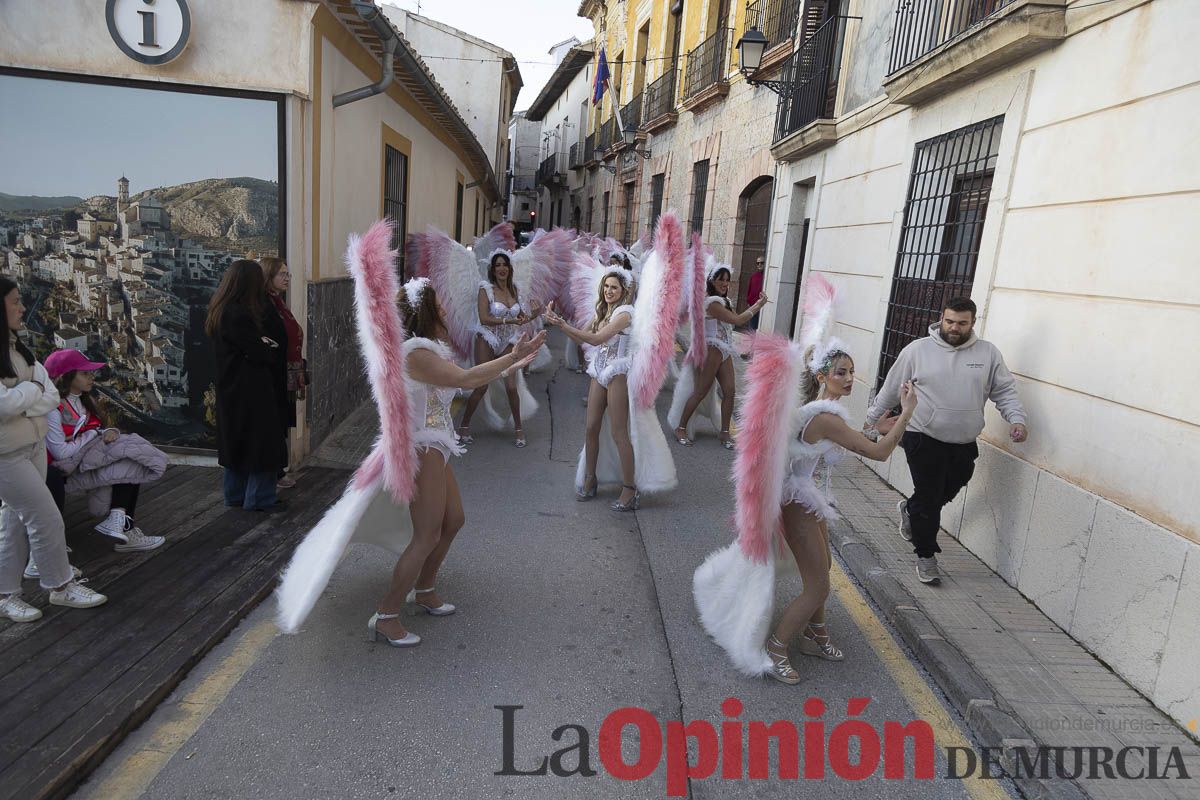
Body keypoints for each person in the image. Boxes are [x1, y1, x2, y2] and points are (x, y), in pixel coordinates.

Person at [693, 275, 915, 684]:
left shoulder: (823, 410)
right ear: (824, 376)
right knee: (818, 587)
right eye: (841, 372)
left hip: (811, 502)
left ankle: (816, 632)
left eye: (851, 371)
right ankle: (777, 647)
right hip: (799, 505)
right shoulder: (825, 417)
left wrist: (877, 427)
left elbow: (849, 442)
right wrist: (906, 413)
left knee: (824, 570)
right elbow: (878, 455)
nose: (849, 378)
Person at [864, 297, 1027, 585]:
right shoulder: (918, 350)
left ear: (973, 323)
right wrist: (872, 421)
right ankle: (926, 556)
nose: (954, 327)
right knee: (929, 498)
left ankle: (910, 510)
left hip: (963, 440)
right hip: (921, 435)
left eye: (961, 323)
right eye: (949, 321)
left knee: (950, 487)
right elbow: (891, 388)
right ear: (942, 317)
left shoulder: (988, 354)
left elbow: (1004, 391)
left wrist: (1016, 419)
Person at [0, 278, 106, 622]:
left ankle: (5, 595)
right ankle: (60, 586)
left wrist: (24, 397)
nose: (21, 308)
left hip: (31, 447)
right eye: (15, 301)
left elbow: (49, 395)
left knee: (14, 521)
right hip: (6, 454)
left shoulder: (17, 348)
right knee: (45, 516)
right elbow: (5, 404)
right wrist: (30, 394)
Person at [40, 349, 166, 554]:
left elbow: (94, 430)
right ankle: (123, 526)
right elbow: (60, 452)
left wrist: (110, 431)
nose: (92, 377)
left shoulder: (82, 401)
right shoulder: (53, 409)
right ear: (67, 376)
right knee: (127, 456)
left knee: (131, 459)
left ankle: (120, 521)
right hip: (60, 472)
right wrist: (91, 436)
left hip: (80, 463)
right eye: (85, 373)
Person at [206, 259, 289, 512]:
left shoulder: (221, 309)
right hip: (252, 389)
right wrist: (268, 346)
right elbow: (259, 351)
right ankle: (260, 499)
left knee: (237, 444)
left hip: (232, 388)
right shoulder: (240, 314)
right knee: (261, 444)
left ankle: (236, 496)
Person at [670, 264, 768, 449]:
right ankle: (680, 427)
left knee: (730, 391)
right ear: (711, 281)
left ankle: (724, 433)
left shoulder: (724, 302)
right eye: (720, 279)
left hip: (724, 350)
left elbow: (735, 319)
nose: (724, 283)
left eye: (727, 280)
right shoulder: (712, 303)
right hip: (711, 350)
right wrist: (759, 305)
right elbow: (738, 320)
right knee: (700, 392)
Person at [457, 251, 537, 448]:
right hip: (487, 338)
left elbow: (521, 318)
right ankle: (464, 425)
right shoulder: (486, 289)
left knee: (512, 386)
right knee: (482, 385)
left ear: (510, 268)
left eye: (504, 264)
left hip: (508, 339)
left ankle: (518, 429)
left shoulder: (515, 290)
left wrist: (533, 315)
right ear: (492, 270)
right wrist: (507, 319)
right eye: (498, 265)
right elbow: (484, 318)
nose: (501, 268)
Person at [261, 257, 306, 490]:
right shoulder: (265, 304)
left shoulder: (277, 301)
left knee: (284, 420)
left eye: (288, 274)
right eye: (282, 274)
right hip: (276, 373)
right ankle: (275, 472)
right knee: (276, 422)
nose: (287, 278)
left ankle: (279, 469)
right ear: (269, 276)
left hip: (288, 370)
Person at [746, 259, 765, 332]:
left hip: (762, 305)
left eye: (761, 263)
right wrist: (748, 301)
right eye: (757, 263)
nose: (759, 264)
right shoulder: (753, 276)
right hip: (752, 305)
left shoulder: (766, 276)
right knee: (752, 328)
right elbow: (749, 289)